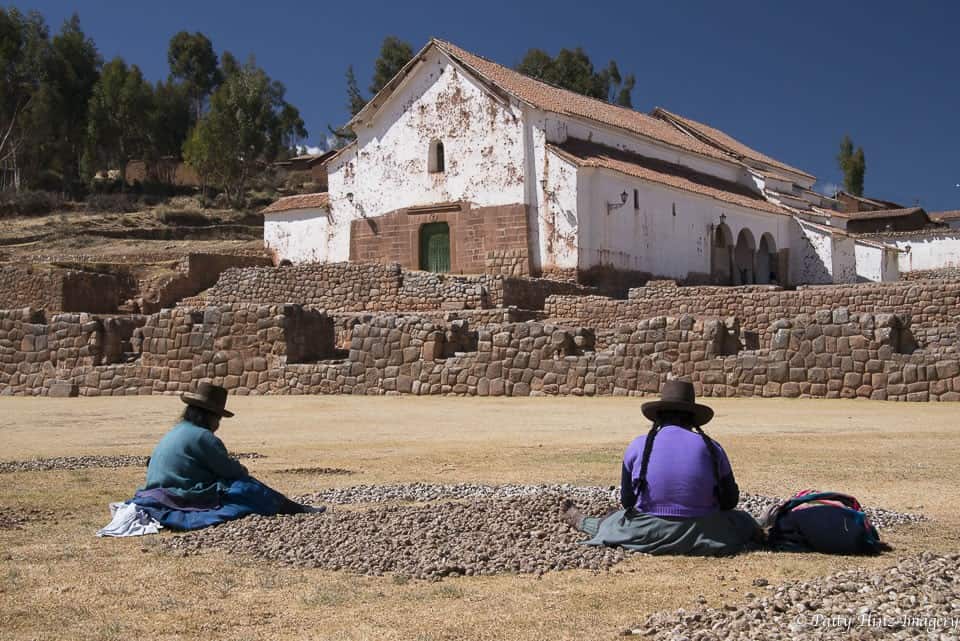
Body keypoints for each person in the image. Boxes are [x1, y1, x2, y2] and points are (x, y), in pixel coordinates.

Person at [561, 379, 761, 556]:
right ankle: (766, 521)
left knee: (615, 521)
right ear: (693, 418)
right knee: (744, 520)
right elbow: (730, 501)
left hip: (647, 530)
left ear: (657, 417)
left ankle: (584, 521)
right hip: (704, 531)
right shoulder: (712, 447)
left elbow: (628, 501)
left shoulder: (638, 446)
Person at [132, 382, 323, 530]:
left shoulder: (178, 430)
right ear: (210, 416)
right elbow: (230, 471)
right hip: (180, 493)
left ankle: (295, 507)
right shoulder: (203, 437)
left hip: (157, 490)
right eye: (218, 418)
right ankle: (295, 509)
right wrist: (241, 470)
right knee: (247, 487)